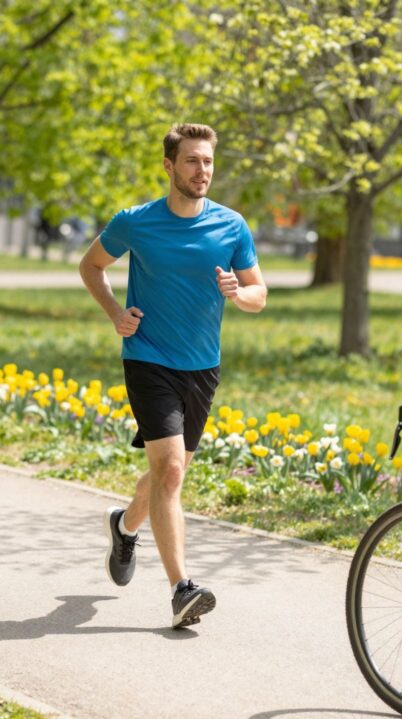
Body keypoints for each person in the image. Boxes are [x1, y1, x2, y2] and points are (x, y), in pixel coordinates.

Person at [79, 123, 267, 629]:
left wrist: (237, 292)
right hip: (147, 356)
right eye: (191, 161)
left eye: (207, 162)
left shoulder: (231, 226)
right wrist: (115, 312)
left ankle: (125, 526)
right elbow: (91, 265)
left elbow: (259, 295)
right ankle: (182, 589)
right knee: (172, 471)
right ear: (169, 166)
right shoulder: (136, 222)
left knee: (170, 470)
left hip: (202, 365)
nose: (201, 170)